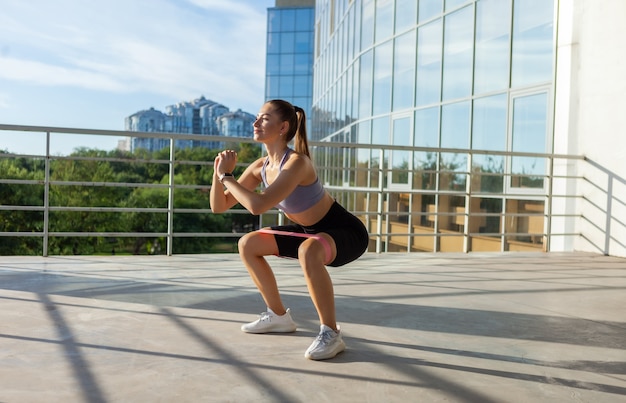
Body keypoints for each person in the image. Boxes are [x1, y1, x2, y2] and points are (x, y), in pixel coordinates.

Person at [210, 99, 369, 360]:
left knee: (309, 249)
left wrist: (228, 177)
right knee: (247, 244)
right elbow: (220, 206)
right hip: (309, 231)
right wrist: (219, 175)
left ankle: (331, 333)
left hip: (345, 232)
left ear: (283, 127)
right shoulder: (260, 166)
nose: (255, 122)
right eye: (257, 117)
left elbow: (258, 205)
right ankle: (278, 316)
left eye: (264, 118)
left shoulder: (297, 163)